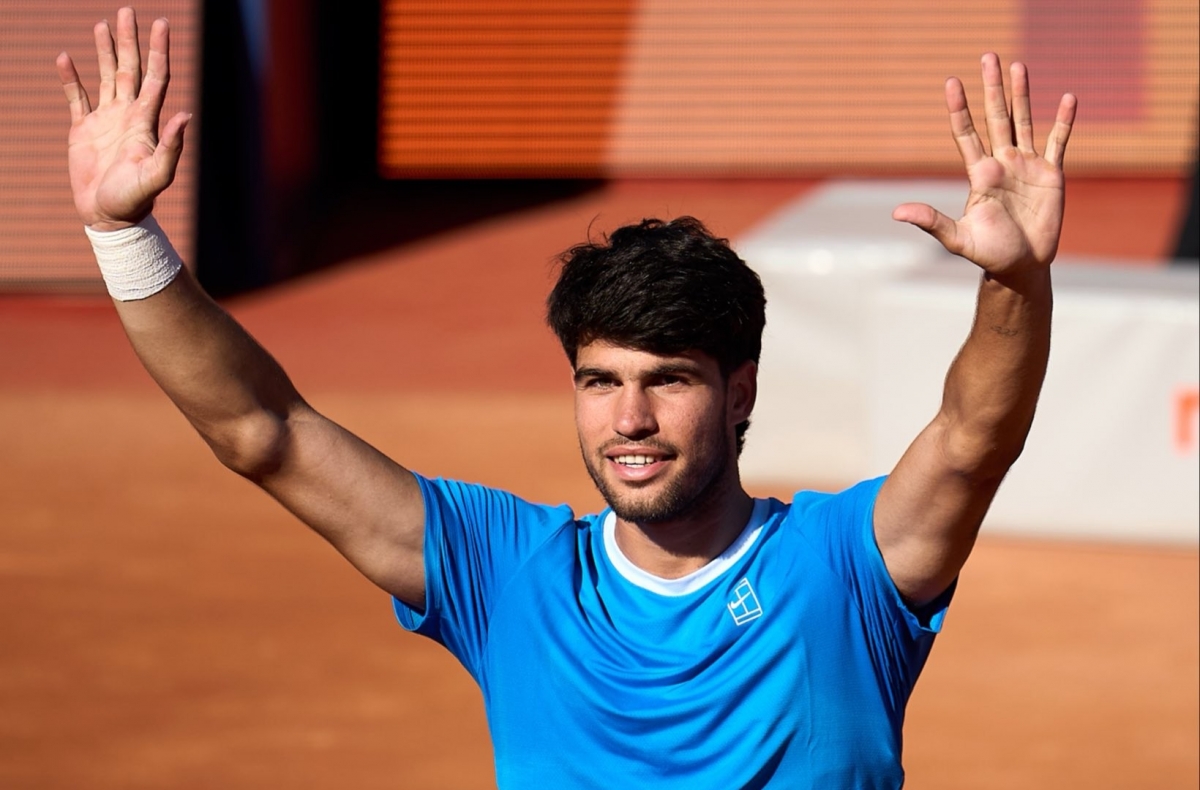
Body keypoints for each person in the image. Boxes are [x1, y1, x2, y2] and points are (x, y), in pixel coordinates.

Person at [56, 8, 1076, 789]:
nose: (628, 421)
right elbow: (261, 431)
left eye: (667, 380)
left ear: (739, 391)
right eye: (601, 382)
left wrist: (1014, 282)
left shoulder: (845, 567)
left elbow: (975, 435)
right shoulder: (505, 573)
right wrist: (122, 237)